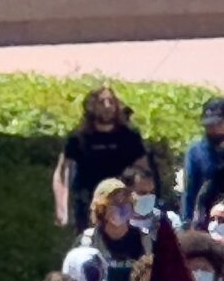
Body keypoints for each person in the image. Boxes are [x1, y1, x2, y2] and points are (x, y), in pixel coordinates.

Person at [53, 83, 151, 231]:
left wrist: (141, 205)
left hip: (120, 206)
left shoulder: (129, 136)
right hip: (87, 206)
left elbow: (144, 171)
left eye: (111, 101)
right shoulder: (79, 137)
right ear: (91, 106)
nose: (107, 106)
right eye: (101, 102)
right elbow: (62, 173)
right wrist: (61, 208)